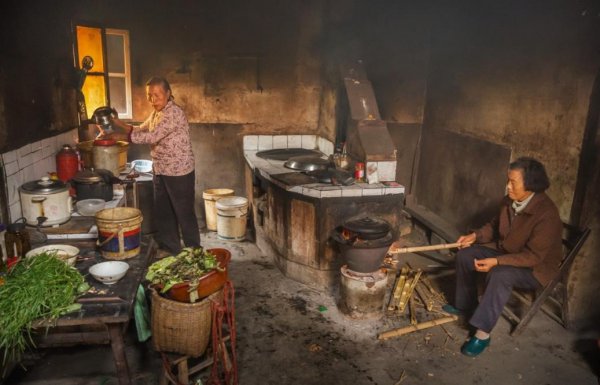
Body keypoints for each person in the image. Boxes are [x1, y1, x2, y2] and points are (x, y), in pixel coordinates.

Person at [443, 157, 563, 357]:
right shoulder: (510, 201)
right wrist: (475, 236)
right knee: (466, 254)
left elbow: (533, 256)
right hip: (509, 252)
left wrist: (496, 261)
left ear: (530, 184)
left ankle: (482, 334)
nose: (507, 186)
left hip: (535, 267)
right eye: (508, 181)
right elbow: (493, 226)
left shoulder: (547, 214)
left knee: (500, 274)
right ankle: (464, 305)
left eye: (513, 182)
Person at [107, 76, 201, 255]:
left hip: (179, 172)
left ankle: (194, 251)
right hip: (161, 169)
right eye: (150, 96)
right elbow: (142, 128)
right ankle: (171, 248)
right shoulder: (157, 112)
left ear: (168, 93)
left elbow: (152, 136)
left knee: (183, 212)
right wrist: (119, 123)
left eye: (157, 95)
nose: (153, 100)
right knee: (164, 212)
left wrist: (119, 138)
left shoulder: (173, 113)